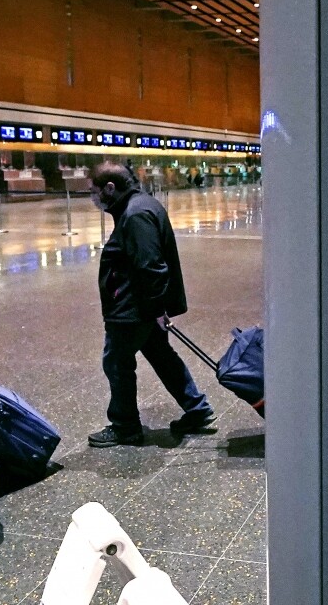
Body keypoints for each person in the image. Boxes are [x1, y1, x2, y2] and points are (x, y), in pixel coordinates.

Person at [88, 162, 215, 447]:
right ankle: (197, 409)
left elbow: (151, 266)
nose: (93, 198)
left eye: (94, 191)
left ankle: (125, 426)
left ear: (110, 187)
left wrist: (157, 309)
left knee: (117, 364)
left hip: (134, 310)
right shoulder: (141, 205)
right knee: (161, 356)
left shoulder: (135, 214)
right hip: (144, 306)